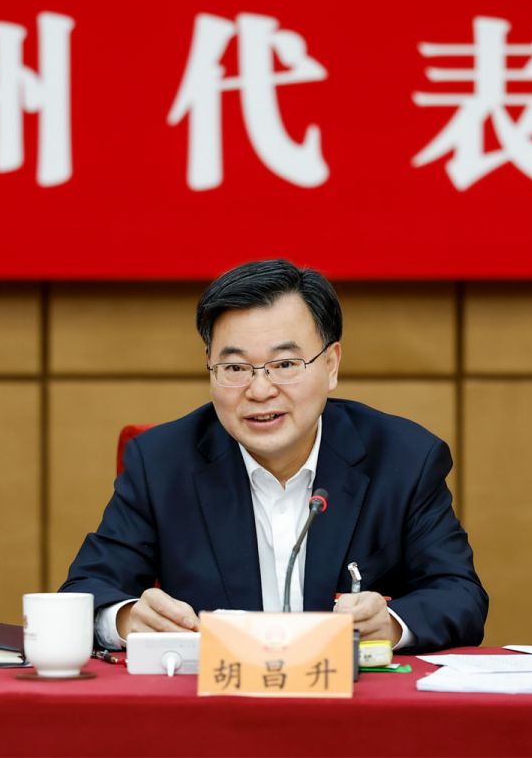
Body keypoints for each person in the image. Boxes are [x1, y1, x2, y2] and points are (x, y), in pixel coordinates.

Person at [60, 259, 487, 653]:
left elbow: (459, 595)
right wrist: (127, 619)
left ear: (331, 365)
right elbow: (85, 592)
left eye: (284, 365)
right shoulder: (161, 464)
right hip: (215, 702)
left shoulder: (403, 459)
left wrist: (389, 624)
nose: (260, 390)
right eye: (235, 368)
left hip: (352, 700)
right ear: (209, 367)